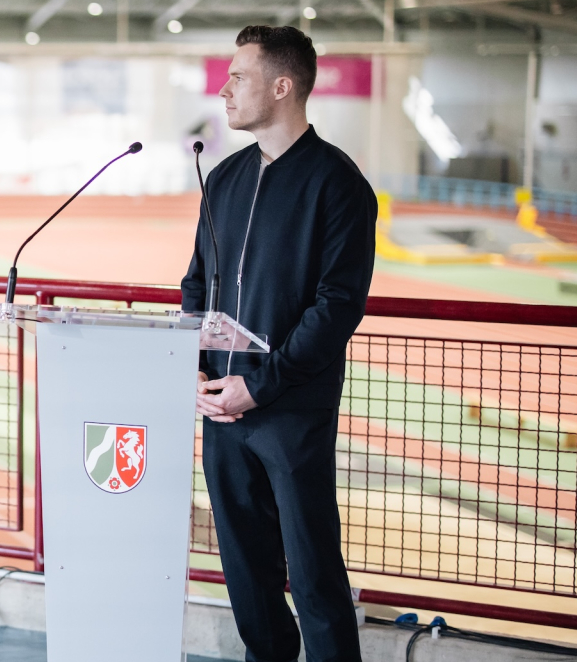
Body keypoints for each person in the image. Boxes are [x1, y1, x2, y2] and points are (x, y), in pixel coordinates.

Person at [181, 25, 376, 662]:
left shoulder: (338, 185)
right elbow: (196, 284)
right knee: (246, 571)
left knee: (313, 570)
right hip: (221, 407)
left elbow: (336, 309)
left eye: (238, 77)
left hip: (289, 412)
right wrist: (197, 370)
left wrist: (257, 385)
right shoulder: (225, 177)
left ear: (283, 86)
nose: (224, 89)